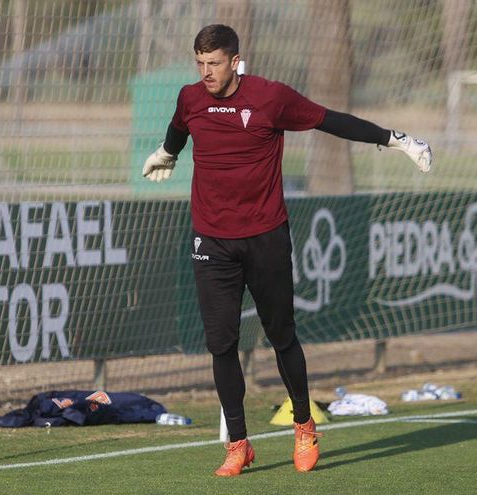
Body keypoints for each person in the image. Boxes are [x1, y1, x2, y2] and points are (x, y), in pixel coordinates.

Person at [143, 24, 432, 477]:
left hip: (265, 238)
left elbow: (330, 120)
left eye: (214, 64)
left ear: (235, 61)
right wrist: (168, 151)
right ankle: (238, 444)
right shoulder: (191, 96)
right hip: (211, 239)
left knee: (282, 337)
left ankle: (303, 424)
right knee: (220, 344)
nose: (206, 73)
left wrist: (394, 139)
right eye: (199, 63)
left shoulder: (271, 98)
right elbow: (180, 126)